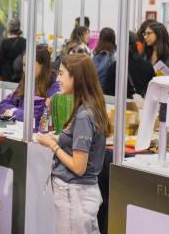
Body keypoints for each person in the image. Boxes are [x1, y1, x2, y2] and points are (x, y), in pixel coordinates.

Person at [37, 54, 112, 234]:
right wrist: (58, 140)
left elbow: (78, 167)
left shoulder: (84, 116)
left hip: (75, 194)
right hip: (80, 194)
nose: (58, 79)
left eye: (62, 74)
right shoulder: (89, 108)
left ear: (76, 78)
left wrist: (52, 145)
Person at [0, 45, 59, 125]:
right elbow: (3, 104)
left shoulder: (55, 84)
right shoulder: (26, 82)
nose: (26, 69)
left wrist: (14, 112)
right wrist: (19, 113)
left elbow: (39, 115)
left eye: (30, 64)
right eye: (24, 65)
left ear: (43, 65)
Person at [103, 32, 155, 99]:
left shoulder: (114, 67)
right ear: (136, 45)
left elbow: (107, 93)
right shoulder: (147, 66)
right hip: (143, 106)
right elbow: (154, 91)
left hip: (120, 107)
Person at [0, 18, 26, 82]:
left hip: (6, 74)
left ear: (8, 29)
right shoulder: (24, 42)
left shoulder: (5, 42)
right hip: (19, 74)